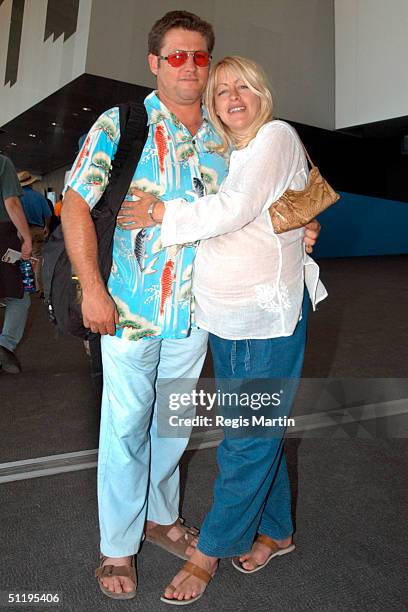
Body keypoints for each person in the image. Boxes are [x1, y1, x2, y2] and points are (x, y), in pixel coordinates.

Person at [61, 11, 320, 599]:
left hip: (200, 314)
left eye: (199, 57)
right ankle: (117, 547)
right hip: (126, 309)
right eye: (175, 56)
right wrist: (92, 289)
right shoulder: (122, 125)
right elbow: (76, 204)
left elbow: (272, 200)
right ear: (155, 64)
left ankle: (160, 518)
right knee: (125, 428)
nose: (189, 66)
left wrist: (303, 230)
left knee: (174, 428)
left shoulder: (227, 138)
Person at [118, 55, 327, 605]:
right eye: (221, 91)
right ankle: (278, 531)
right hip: (224, 317)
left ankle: (210, 550)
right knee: (255, 431)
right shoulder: (229, 151)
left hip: (266, 316)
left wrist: (162, 216)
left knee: (246, 441)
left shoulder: (275, 136)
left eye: (243, 87)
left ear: (263, 93)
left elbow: (234, 209)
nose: (232, 96)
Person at [0, 155, 32, 374]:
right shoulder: (2, 162)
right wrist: (26, 237)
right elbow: (11, 202)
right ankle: (5, 347)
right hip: (2, 236)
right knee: (19, 295)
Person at [18, 171, 51, 294]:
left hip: (22, 230)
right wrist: (46, 226)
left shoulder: (17, 198)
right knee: (38, 257)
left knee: (24, 257)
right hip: (38, 230)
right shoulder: (39, 197)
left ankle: (26, 287)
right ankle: (40, 288)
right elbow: (48, 214)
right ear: (31, 184)